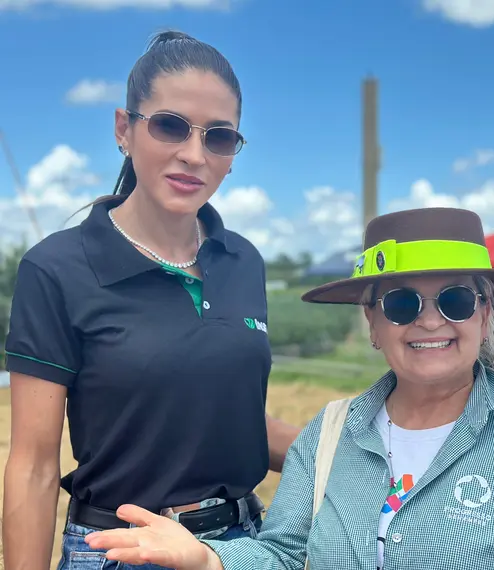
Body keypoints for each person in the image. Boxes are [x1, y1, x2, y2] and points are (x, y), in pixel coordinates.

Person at [83, 207, 494, 570]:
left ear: (484, 312)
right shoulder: (327, 437)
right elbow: (287, 554)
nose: (430, 322)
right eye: (402, 303)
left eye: (454, 300)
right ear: (373, 322)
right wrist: (212, 558)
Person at [3, 30, 299, 570]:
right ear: (124, 129)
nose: (193, 154)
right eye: (169, 125)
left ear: (233, 153)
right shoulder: (56, 269)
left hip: (239, 549)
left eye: (219, 137)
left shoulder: (243, 262)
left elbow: (228, 418)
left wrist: (354, 448)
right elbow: (33, 465)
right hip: (120, 552)